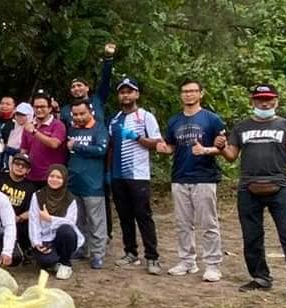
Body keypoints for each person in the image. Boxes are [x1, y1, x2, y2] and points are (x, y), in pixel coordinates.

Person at [214, 84, 286, 304]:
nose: (265, 103)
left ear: (276, 101)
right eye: (260, 99)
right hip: (248, 188)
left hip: (280, 187)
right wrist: (221, 147)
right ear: (253, 101)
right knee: (252, 236)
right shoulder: (242, 127)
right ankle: (260, 277)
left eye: (269, 99)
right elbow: (232, 155)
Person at [156, 79, 226, 281]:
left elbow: (224, 149)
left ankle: (212, 265)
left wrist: (205, 150)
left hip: (204, 176)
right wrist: (163, 149)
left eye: (193, 91)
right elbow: (170, 146)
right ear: (181, 95)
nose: (189, 94)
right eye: (185, 91)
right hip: (179, 176)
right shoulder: (174, 121)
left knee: (208, 223)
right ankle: (187, 261)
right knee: (182, 223)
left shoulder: (212, 119)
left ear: (200, 94)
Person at [109, 77, 163, 274]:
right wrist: (108, 173)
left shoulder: (145, 116)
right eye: (122, 92)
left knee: (143, 216)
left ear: (136, 94)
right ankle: (130, 253)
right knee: (124, 217)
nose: (125, 95)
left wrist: (137, 138)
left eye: (129, 91)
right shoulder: (114, 119)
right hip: (117, 175)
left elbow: (157, 143)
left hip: (138, 175)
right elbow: (111, 147)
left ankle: (152, 257)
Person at [66, 99, 109, 268]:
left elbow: (101, 150)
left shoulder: (99, 129)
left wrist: (77, 146)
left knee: (96, 221)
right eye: (75, 114)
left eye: (82, 113)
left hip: (93, 184)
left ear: (90, 112)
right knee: (78, 219)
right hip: (74, 183)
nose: (78, 117)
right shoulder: (72, 129)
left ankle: (97, 254)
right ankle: (81, 248)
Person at [28, 165, 84, 280]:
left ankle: (65, 264)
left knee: (66, 230)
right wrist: (37, 243)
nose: (54, 180)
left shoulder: (70, 199)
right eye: (51, 176)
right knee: (45, 261)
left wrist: (50, 219)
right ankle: (54, 264)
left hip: (62, 239)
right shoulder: (38, 196)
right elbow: (33, 222)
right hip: (45, 239)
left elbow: (70, 223)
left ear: (64, 180)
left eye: (59, 177)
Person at [61, 42, 116, 126]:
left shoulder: (98, 100)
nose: (76, 88)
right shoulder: (65, 110)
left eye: (79, 85)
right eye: (73, 87)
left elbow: (105, 80)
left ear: (87, 88)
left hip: (99, 138)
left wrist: (108, 59)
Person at [22, 90, 67, 189]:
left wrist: (34, 132)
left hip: (51, 179)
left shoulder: (58, 125)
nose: (39, 110)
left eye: (42, 107)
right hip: (30, 177)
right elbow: (24, 151)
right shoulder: (29, 126)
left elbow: (54, 144)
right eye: (36, 107)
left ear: (50, 108)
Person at [0, 152, 35, 258]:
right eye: (17, 164)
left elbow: (33, 210)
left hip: (17, 221)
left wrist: (20, 218)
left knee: (29, 225)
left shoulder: (30, 187)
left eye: (24, 166)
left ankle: (25, 251)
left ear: (28, 170)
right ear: (11, 165)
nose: (20, 167)